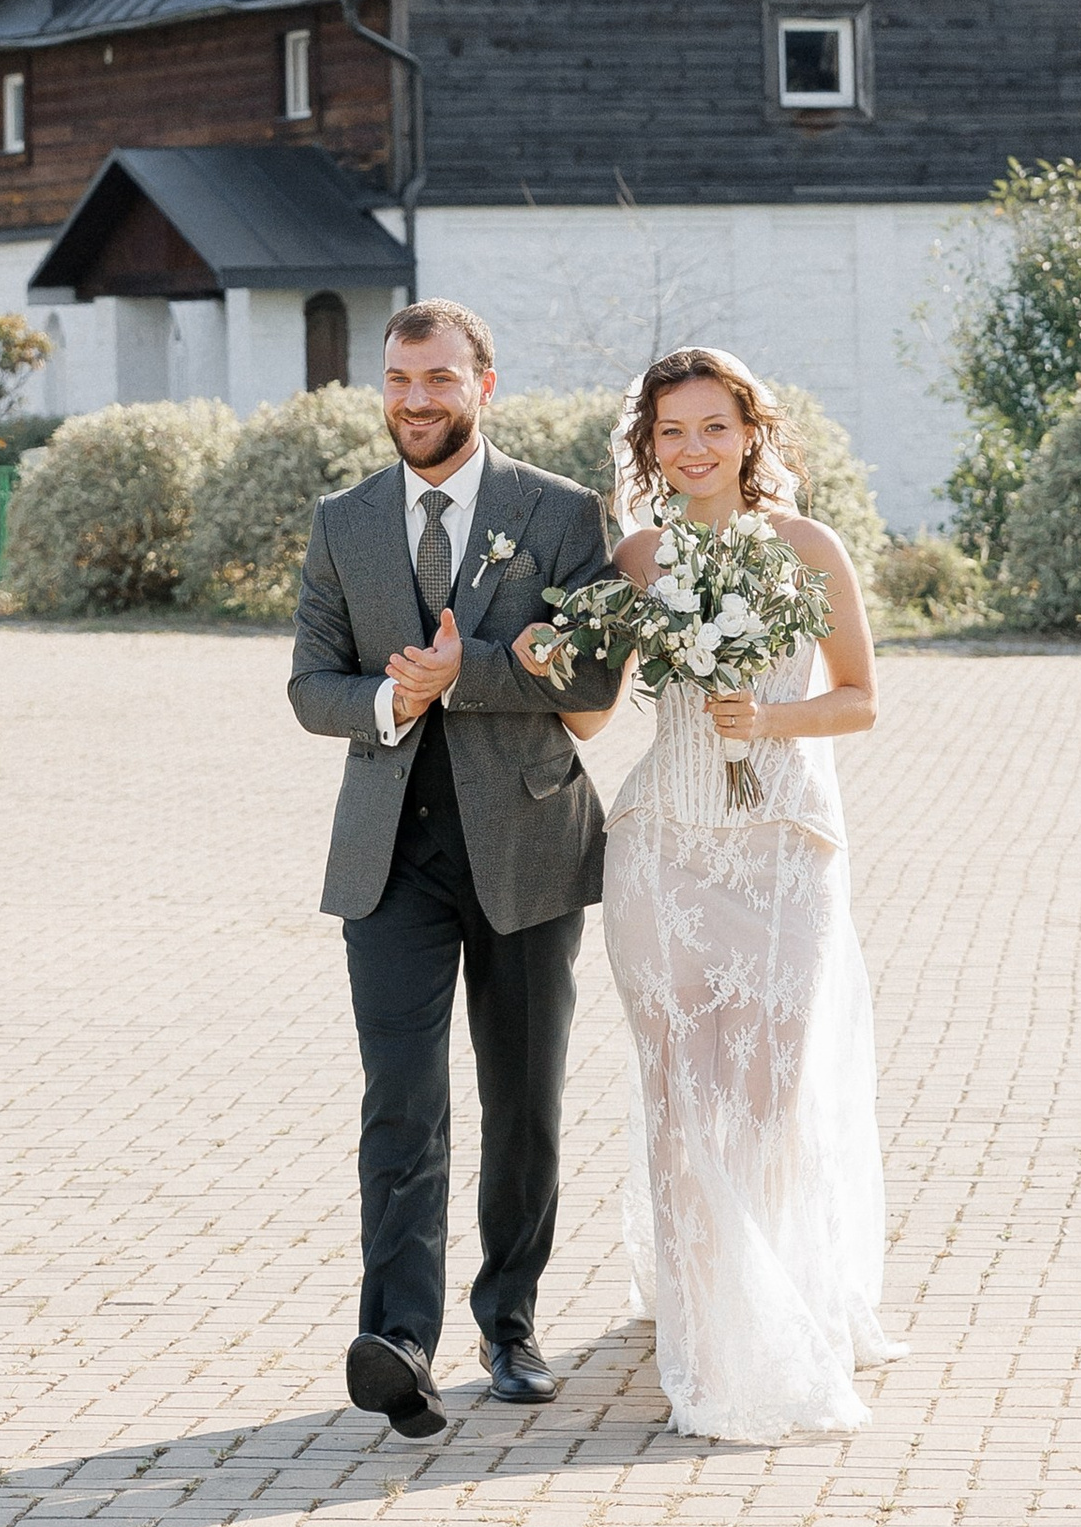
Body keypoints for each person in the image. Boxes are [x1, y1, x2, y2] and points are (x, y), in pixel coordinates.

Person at [519, 345, 900, 1443]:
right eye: (671, 432)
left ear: (751, 435)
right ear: (648, 446)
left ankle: (774, 1304)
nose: (693, 450)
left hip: (781, 844)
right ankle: (704, 1328)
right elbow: (593, 715)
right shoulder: (636, 556)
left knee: (768, 1093)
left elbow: (863, 699)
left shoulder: (806, 547)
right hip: (661, 848)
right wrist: (546, 659)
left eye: (713, 428)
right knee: (684, 1094)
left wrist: (767, 719)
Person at [288, 299, 622, 1439]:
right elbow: (309, 685)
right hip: (388, 859)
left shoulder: (563, 514)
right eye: (396, 379)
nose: (414, 401)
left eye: (436, 379)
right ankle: (399, 1340)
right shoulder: (344, 520)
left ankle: (512, 1322)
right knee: (401, 1099)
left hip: (528, 844)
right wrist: (392, 698)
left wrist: (462, 671)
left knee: (521, 1099)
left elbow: (589, 690)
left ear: (484, 383)